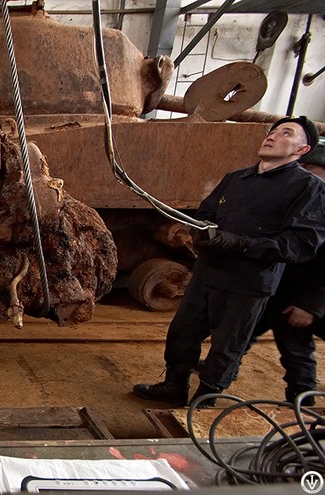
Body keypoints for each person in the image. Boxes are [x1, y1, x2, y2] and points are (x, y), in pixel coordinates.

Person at [133, 116, 325, 408]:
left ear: (302, 149)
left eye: (286, 133)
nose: (272, 136)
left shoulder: (308, 188)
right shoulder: (237, 178)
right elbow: (205, 212)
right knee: (182, 333)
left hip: (248, 283)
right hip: (208, 273)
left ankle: (205, 400)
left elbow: (301, 244)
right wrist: (199, 232)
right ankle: (174, 385)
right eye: (272, 131)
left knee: (227, 346)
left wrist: (239, 244)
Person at [244, 153, 325, 407]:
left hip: (313, 296)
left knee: (295, 343)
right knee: (262, 331)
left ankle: (304, 397)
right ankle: (302, 397)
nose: (303, 174)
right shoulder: (299, 200)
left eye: (310, 168)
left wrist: (311, 304)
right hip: (286, 290)